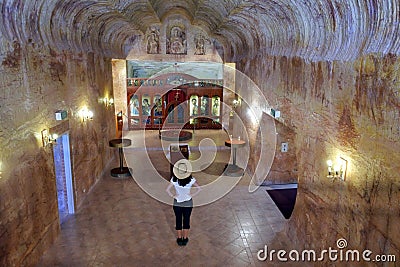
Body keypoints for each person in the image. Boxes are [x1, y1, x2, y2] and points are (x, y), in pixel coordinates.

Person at [166, 159, 201, 246]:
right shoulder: (191, 180)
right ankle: (185, 238)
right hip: (188, 202)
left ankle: (179, 238)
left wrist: (173, 196)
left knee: (178, 220)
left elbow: (167, 190)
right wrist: (191, 194)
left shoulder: (174, 180)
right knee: (186, 220)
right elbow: (199, 188)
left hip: (177, 202)